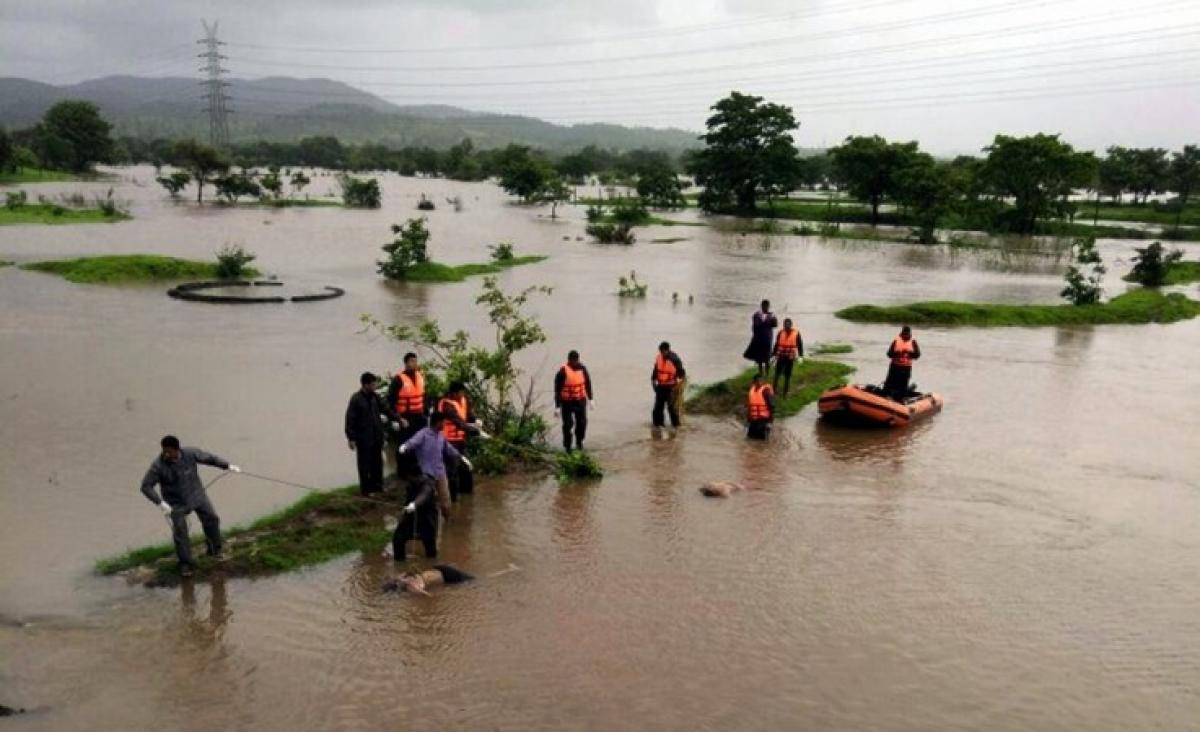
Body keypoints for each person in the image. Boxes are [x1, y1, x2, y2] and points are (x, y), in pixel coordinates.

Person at [140, 435, 241, 577]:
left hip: (197, 496)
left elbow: (209, 458)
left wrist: (227, 465)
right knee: (180, 532)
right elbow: (145, 486)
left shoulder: (190, 454)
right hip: (175, 504)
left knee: (212, 519)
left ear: (177, 449)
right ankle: (186, 564)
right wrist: (161, 503)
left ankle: (214, 551)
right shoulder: (158, 466)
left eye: (169, 452)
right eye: (164, 451)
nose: (166, 455)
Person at [394, 412, 471, 561]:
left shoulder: (440, 437)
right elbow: (412, 442)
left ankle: (447, 525)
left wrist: (462, 458)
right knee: (424, 502)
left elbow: (449, 449)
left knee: (446, 503)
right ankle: (423, 527)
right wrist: (405, 446)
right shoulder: (423, 434)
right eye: (443, 422)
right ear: (437, 422)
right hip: (425, 475)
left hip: (440, 473)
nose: (444, 425)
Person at [345, 371, 398, 495]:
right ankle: (366, 490)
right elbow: (350, 419)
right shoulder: (356, 399)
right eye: (373, 384)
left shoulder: (375, 397)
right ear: (366, 385)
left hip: (376, 435)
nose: (375, 386)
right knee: (364, 465)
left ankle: (378, 486)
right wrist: (351, 438)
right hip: (363, 438)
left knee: (377, 462)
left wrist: (398, 419)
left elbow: (386, 409)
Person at [437, 381, 488, 501]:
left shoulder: (464, 400)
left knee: (466, 468)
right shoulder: (447, 405)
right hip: (449, 441)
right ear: (454, 393)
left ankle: (467, 499)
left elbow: (468, 416)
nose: (462, 394)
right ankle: (452, 499)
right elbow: (458, 422)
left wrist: (476, 421)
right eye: (460, 392)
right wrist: (476, 432)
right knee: (452, 471)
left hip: (460, 440)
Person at [387, 352, 427, 476]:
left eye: (415, 361)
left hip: (419, 416)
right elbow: (390, 400)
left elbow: (424, 395)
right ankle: (403, 472)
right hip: (405, 417)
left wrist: (427, 412)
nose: (414, 364)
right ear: (406, 363)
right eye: (411, 361)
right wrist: (396, 418)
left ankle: (416, 469)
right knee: (404, 443)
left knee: (419, 443)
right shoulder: (398, 379)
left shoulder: (420, 376)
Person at [554, 350, 594, 452]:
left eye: (576, 360)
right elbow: (557, 389)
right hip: (566, 402)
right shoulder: (562, 372)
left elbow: (588, 384)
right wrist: (557, 407)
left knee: (582, 423)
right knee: (567, 425)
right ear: (569, 360)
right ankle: (567, 447)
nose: (574, 363)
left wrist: (591, 399)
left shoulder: (582, 369)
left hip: (580, 401)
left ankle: (579, 442)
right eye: (573, 361)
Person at [651, 341, 686, 429]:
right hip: (660, 386)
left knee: (671, 408)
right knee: (657, 408)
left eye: (663, 351)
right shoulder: (658, 358)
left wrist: (678, 387)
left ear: (667, 350)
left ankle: (676, 427)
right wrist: (653, 383)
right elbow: (655, 371)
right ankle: (658, 426)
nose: (662, 353)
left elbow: (682, 374)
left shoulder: (675, 359)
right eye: (660, 351)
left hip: (671, 387)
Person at [382, 564, 475, 596]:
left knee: (470, 580)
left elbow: (428, 595)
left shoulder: (409, 584)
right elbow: (428, 594)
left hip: (444, 575)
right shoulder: (409, 584)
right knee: (470, 580)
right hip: (441, 573)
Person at [883, 325, 921, 401]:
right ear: (901, 333)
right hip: (895, 366)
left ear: (909, 334)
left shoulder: (913, 342)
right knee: (890, 383)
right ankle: (887, 396)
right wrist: (897, 353)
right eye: (904, 333)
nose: (905, 335)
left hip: (906, 367)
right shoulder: (896, 340)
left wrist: (909, 353)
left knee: (903, 384)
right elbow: (889, 354)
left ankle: (901, 398)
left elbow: (917, 355)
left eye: (907, 334)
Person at [742, 300, 778, 376]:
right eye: (764, 306)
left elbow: (775, 325)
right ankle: (761, 372)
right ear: (761, 306)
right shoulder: (757, 315)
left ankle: (767, 373)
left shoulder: (772, 315)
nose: (766, 307)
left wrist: (772, 319)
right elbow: (756, 325)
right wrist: (766, 321)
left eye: (767, 306)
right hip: (758, 338)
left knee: (767, 356)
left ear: (769, 306)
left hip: (768, 339)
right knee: (759, 357)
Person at [771, 318, 804, 397]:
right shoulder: (780, 333)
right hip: (781, 356)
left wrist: (800, 356)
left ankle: (785, 394)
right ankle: (773, 391)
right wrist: (773, 355)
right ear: (783, 325)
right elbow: (776, 344)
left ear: (791, 325)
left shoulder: (796, 333)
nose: (787, 326)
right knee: (777, 374)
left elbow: (800, 345)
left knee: (787, 376)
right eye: (785, 325)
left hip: (790, 358)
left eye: (788, 325)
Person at [746, 373, 775, 439]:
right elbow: (749, 406)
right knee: (750, 438)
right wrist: (748, 419)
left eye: (761, 381)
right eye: (758, 381)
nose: (760, 382)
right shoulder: (751, 390)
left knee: (762, 441)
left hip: (763, 420)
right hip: (753, 420)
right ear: (754, 382)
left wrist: (770, 422)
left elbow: (772, 406)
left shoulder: (766, 391)